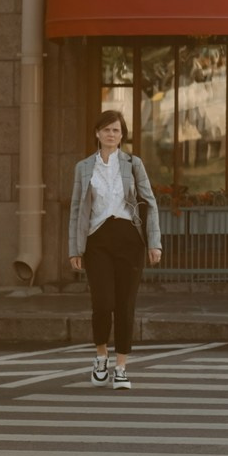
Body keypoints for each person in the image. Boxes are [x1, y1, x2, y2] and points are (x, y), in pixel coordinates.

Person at [68, 110, 162, 389]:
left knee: (125, 306)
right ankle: (100, 357)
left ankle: (121, 367)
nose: (112, 134)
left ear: (122, 136)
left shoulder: (133, 164)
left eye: (117, 130)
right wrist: (75, 247)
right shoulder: (83, 167)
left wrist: (154, 243)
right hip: (97, 240)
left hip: (129, 240)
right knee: (103, 303)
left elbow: (150, 202)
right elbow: (76, 209)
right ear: (97, 133)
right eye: (107, 129)